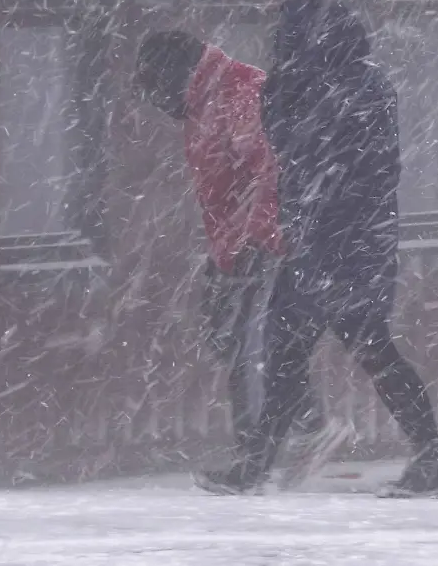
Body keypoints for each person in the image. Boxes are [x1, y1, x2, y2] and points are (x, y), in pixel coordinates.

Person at [196, 0, 438, 498]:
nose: (280, 43)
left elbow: (307, 154)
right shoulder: (352, 85)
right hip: (335, 243)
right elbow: (299, 150)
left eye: (288, 34)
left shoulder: (343, 91)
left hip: (337, 245)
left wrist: (287, 95)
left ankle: (258, 466)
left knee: (329, 352)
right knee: (307, 354)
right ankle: (431, 455)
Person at [134, 31, 351, 488]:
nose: (157, 102)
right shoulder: (202, 103)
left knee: (248, 346)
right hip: (235, 244)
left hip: (263, 242)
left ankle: (257, 458)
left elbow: (272, 169)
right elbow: (222, 188)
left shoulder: (238, 92)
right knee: (232, 337)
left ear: (176, 74)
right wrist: (225, 252)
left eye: (156, 88)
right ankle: (301, 430)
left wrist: (259, 240)